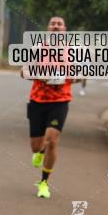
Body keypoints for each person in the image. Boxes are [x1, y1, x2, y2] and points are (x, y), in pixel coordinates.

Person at [22, 16, 72, 199]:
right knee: (36, 146)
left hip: (60, 101)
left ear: (65, 29)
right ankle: (39, 152)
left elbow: (82, 73)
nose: (56, 27)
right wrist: (39, 75)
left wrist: (74, 77)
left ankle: (44, 183)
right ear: (48, 28)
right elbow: (24, 71)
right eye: (53, 24)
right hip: (37, 101)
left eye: (60, 24)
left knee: (52, 139)